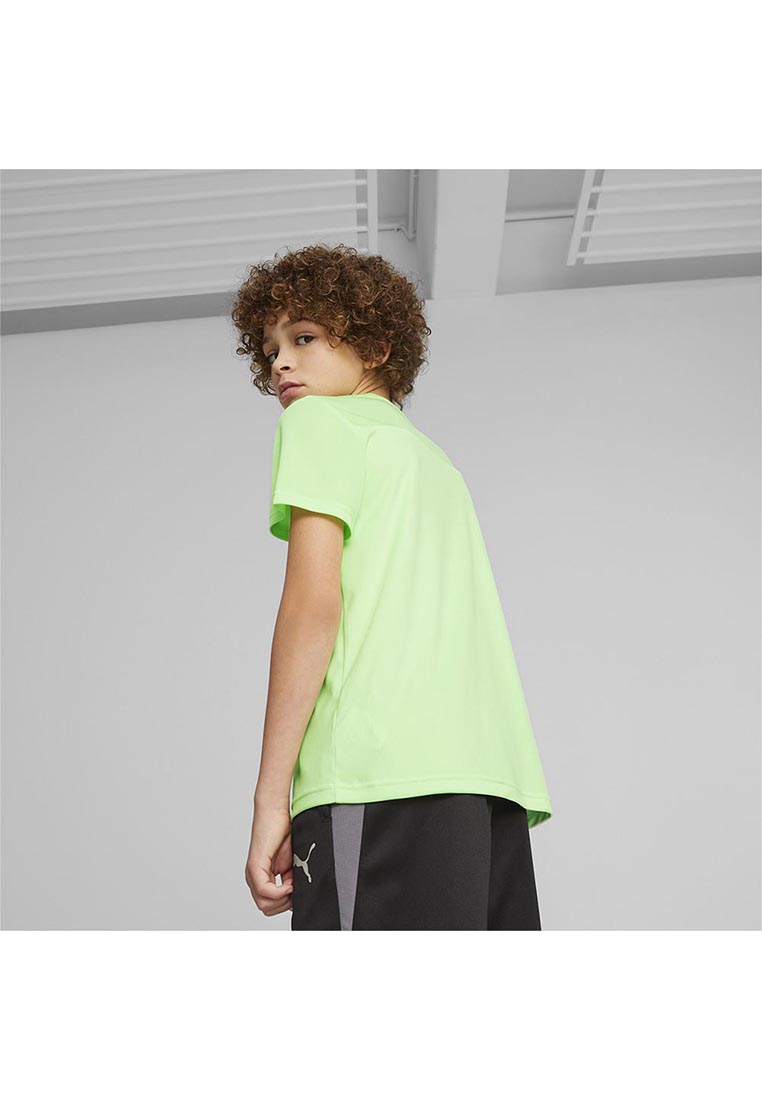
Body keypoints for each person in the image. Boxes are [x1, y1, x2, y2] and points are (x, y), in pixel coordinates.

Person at [233, 243, 553, 930]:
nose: (280, 362)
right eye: (270, 349)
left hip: (376, 774)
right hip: (486, 786)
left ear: (376, 346)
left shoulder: (317, 422)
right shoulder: (434, 464)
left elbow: (312, 606)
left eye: (303, 337)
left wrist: (270, 800)